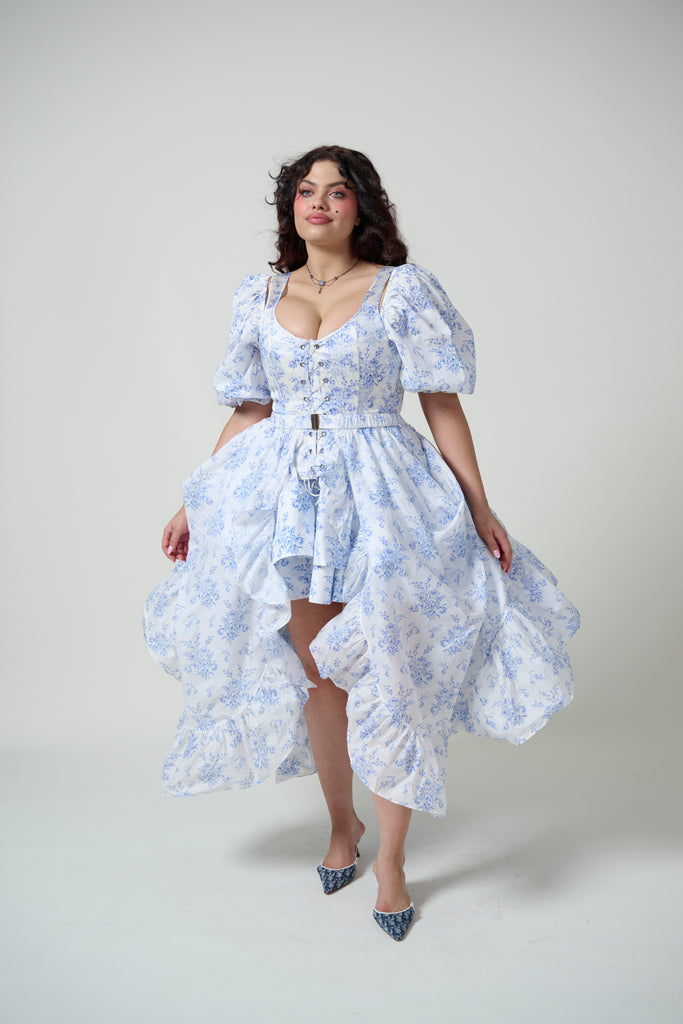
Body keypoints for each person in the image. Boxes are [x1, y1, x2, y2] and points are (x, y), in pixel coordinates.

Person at [143, 145, 580, 941]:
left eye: (337, 191)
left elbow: (439, 402)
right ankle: (341, 826)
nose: (319, 203)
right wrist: (191, 501)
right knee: (319, 676)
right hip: (288, 496)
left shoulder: (400, 289)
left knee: (391, 671)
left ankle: (392, 864)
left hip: (383, 490)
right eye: (306, 191)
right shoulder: (258, 294)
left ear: (361, 206)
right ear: (291, 207)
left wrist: (479, 506)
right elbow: (250, 408)